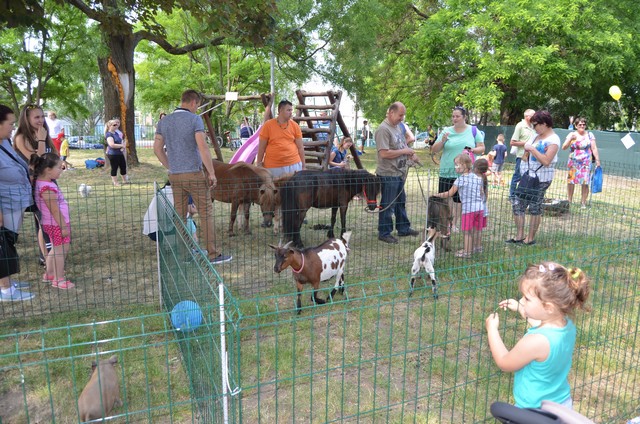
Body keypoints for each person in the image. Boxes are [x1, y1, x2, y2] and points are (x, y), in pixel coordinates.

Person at [485, 262, 590, 409]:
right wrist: (521, 308)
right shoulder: (567, 326)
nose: (521, 300)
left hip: (534, 412)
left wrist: (492, 330)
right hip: (561, 405)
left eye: (526, 299)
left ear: (549, 307)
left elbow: (504, 362)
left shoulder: (535, 342)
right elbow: (544, 325)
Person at [154, 89, 232, 264]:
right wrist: (211, 172)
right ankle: (213, 254)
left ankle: (183, 255)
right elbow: (203, 147)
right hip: (194, 174)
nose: (197, 108)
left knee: (180, 215)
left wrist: (171, 166)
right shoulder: (194, 119)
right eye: (197, 105)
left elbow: (157, 149)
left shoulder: (164, 122)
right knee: (206, 212)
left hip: (175, 176)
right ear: (193, 102)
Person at [506, 110, 560, 246]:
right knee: (517, 204)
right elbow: (526, 153)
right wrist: (527, 152)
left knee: (535, 207)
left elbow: (546, 161)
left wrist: (532, 149)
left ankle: (530, 238)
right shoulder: (535, 136)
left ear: (544, 124)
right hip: (527, 176)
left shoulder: (554, 140)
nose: (533, 127)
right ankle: (519, 236)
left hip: (541, 179)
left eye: (535, 125)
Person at [14, 104, 56, 266]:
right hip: (34, 183)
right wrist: (41, 140)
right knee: (43, 219)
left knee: (51, 217)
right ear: (26, 119)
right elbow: (37, 161)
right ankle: (46, 257)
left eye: (42, 116)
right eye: (36, 117)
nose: (41, 120)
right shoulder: (21, 137)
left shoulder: (43, 133)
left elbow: (50, 157)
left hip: (48, 180)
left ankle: (51, 254)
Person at [0, 104, 35, 301]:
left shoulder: (4, 142)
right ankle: (6, 290)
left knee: (8, 242)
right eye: (10, 124)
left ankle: (6, 281)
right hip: (4, 205)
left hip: (15, 201)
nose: (13, 128)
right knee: (2, 245)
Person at [431, 106, 485, 231]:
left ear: (464, 117)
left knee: (459, 200)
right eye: (453, 116)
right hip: (447, 170)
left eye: (457, 116)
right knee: (445, 198)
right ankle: (445, 222)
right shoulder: (446, 131)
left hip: (464, 172)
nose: (454, 119)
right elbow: (434, 149)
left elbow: (482, 148)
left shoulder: (473, 130)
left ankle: (454, 224)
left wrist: (472, 150)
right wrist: (442, 141)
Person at [375, 102, 420, 244]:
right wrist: (404, 151)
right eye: (400, 115)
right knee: (388, 204)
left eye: (403, 115)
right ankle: (384, 232)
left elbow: (402, 144)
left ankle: (403, 228)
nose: (402, 118)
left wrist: (410, 154)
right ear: (391, 113)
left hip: (399, 172)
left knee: (401, 202)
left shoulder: (398, 127)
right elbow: (384, 153)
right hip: (388, 173)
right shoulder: (383, 129)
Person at [31, 153, 74, 289]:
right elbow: (54, 210)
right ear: (48, 170)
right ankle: (59, 279)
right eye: (59, 167)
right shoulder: (47, 188)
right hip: (57, 224)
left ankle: (49, 274)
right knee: (60, 251)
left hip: (52, 223)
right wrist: (63, 227)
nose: (61, 169)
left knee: (55, 249)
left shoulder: (42, 183)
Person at [433, 154, 486, 257]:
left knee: (467, 232)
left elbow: (449, 193)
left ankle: (467, 252)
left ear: (464, 165)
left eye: (457, 165)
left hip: (468, 210)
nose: (455, 167)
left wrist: (436, 195)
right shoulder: (477, 178)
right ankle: (477, 247)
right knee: (477, 230)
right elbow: (481, 192)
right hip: (479, 208)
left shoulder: (460, 180)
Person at [257, 100, 306, 178]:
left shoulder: (295, 126)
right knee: (275, 186)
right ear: (280, 110)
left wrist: (303, 166)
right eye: (288, 110)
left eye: (291, 110)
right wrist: (259, 165)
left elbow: (300, 147)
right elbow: (261, 147)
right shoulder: (268, 125)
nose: (291, 113)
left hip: (294, 164)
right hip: (273, 166)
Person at [562, 117, 601, 208]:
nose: (582, 126)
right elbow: (564, 147)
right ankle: (569, 201)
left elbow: (594, 148)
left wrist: (597, 160)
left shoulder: (590, 135)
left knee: (585, 182)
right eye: (580, 124)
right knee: (571, 181)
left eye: (584, 124)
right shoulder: (572, 134)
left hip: (585, 162)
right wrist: (570, 139)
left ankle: (583, 202)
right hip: (573, 162)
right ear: (576, 126)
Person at [509, 109, 535, 202]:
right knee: (517, 176)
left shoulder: (533, 127)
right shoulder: (520, 126)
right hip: (521, 156)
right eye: (533, 115)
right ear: (527, 117)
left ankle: (523, 196)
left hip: (531, 157)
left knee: (528, 177)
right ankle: (512, 196)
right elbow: (512, 142)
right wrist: (526, 143)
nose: (535, 117)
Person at [104, 118, 128, 186]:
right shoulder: (109, 134)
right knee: (114, 168)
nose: (116, 126)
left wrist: (123, 145)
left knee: (123, 166)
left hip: (119, 153)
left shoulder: (116, 133)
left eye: (117, 124)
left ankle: (125, 180)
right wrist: (121, 145)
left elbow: (121, 141)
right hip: (113, 154)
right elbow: (112, 145)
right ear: (109, 126)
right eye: (114, 125)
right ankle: (115, 182)